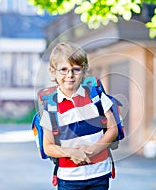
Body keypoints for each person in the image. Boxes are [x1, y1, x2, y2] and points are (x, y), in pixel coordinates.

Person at [40, 42, 118, 190]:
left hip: (99, 175)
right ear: (52, 71)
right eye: (63, 69)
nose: (70, 75)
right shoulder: (51, 108)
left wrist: (94, 149)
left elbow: (112, 129)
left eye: (76, 69)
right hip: (69, 179)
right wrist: (72, 153)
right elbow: (48, 147)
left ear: (84, 70)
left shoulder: (96, 97)